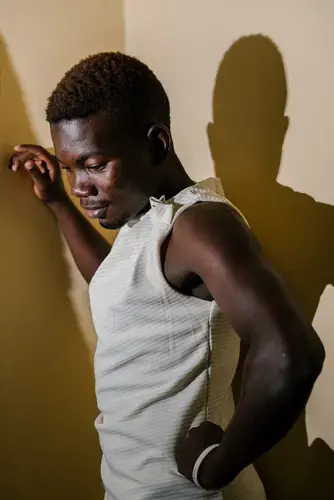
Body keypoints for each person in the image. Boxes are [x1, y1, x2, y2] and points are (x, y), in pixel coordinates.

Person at [10, 52, 324, 500]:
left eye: (94, 164)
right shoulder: (148, 219)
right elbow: (119, 285)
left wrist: (218, 466)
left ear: (158, 144)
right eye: (69, 167)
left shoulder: (200, 225)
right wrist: (58, 203)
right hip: (129, 486)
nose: (81, 185)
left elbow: (292, 354)